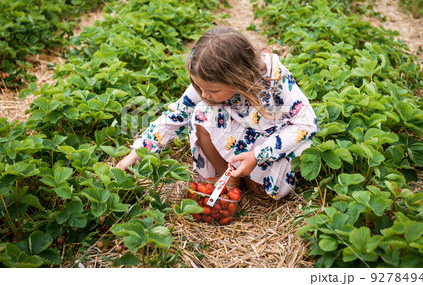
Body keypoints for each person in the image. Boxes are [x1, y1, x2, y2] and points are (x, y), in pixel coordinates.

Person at [116, 27, 318, 199]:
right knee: (201, 112)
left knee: (283, 170)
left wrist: (258, 156)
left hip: (274, 141)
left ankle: (253, 177)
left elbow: (306, 123)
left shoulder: (273, 76)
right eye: (198, 86)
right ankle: (230, 179)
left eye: (213, 91)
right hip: (243, 139)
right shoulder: (207, 84)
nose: (204, 94)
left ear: (238, 78)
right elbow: (174, 116)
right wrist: (136, 153)